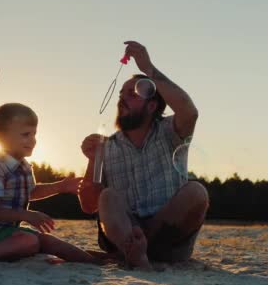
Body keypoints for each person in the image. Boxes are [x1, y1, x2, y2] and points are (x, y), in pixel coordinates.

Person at [77, 41, 210, 270]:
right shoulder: (106, 146)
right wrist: (92, 161)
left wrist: (148, 68)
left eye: (132, 93)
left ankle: (135, 251)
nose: (122, 98)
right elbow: (89, 206)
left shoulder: (171, 132)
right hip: (121, 235)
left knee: (197, 192)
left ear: (151, 106)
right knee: (107, 196)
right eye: (122, 94)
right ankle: (133, 250)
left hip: (169, 242)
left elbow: (190, 111)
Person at [0, 103, 100, 264]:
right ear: (1, 137)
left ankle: (94, 262)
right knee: (30, 241)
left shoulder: (23, 166)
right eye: (26, 135)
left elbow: (30, 192)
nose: (32, 140)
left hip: (4, 231)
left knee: (47, 240)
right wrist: (27, 215)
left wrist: (60, 186)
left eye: (34, 134)